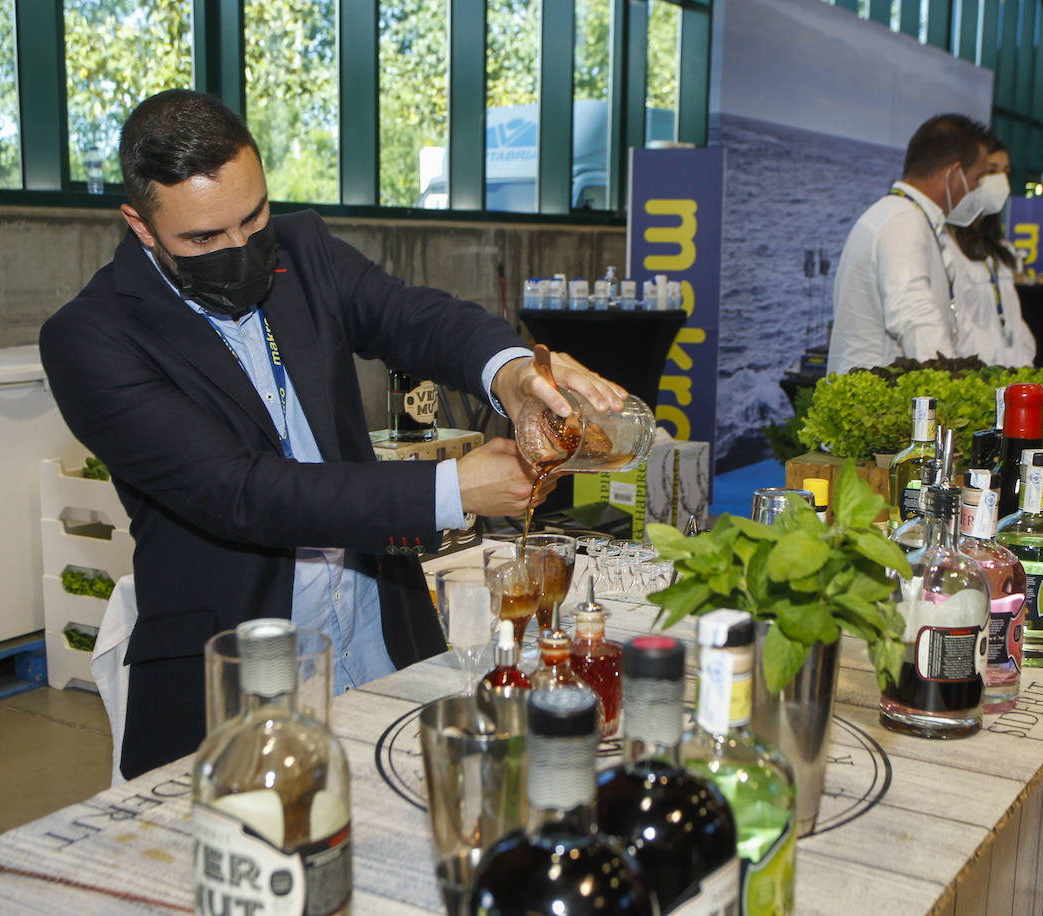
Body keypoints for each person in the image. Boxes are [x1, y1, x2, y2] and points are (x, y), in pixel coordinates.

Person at [39, 89, 626, 779]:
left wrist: (511, 374)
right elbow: (240, 491)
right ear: (141, 226)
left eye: (253, 216)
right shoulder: (92, 338)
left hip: (384, 641)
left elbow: (414, 317)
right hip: (236, 686)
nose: (239, 248)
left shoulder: (302, 251)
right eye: (203, 239)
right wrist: (454, 486)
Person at [827, 113, 991, 375]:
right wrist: (949, 385)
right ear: (954, 174)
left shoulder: (909, 218)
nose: (975, 189)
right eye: (976, 178)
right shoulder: (903, 222)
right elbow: (915, 318)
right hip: (880, 409)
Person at [947, 139, 1036, 367]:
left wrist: (1024, 360)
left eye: (1005, 171)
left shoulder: (1000, 247)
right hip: (975, 372)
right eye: (991, 171)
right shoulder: (947, 243)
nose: (1001, 181)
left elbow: (1014, 318)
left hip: (1012, 372)